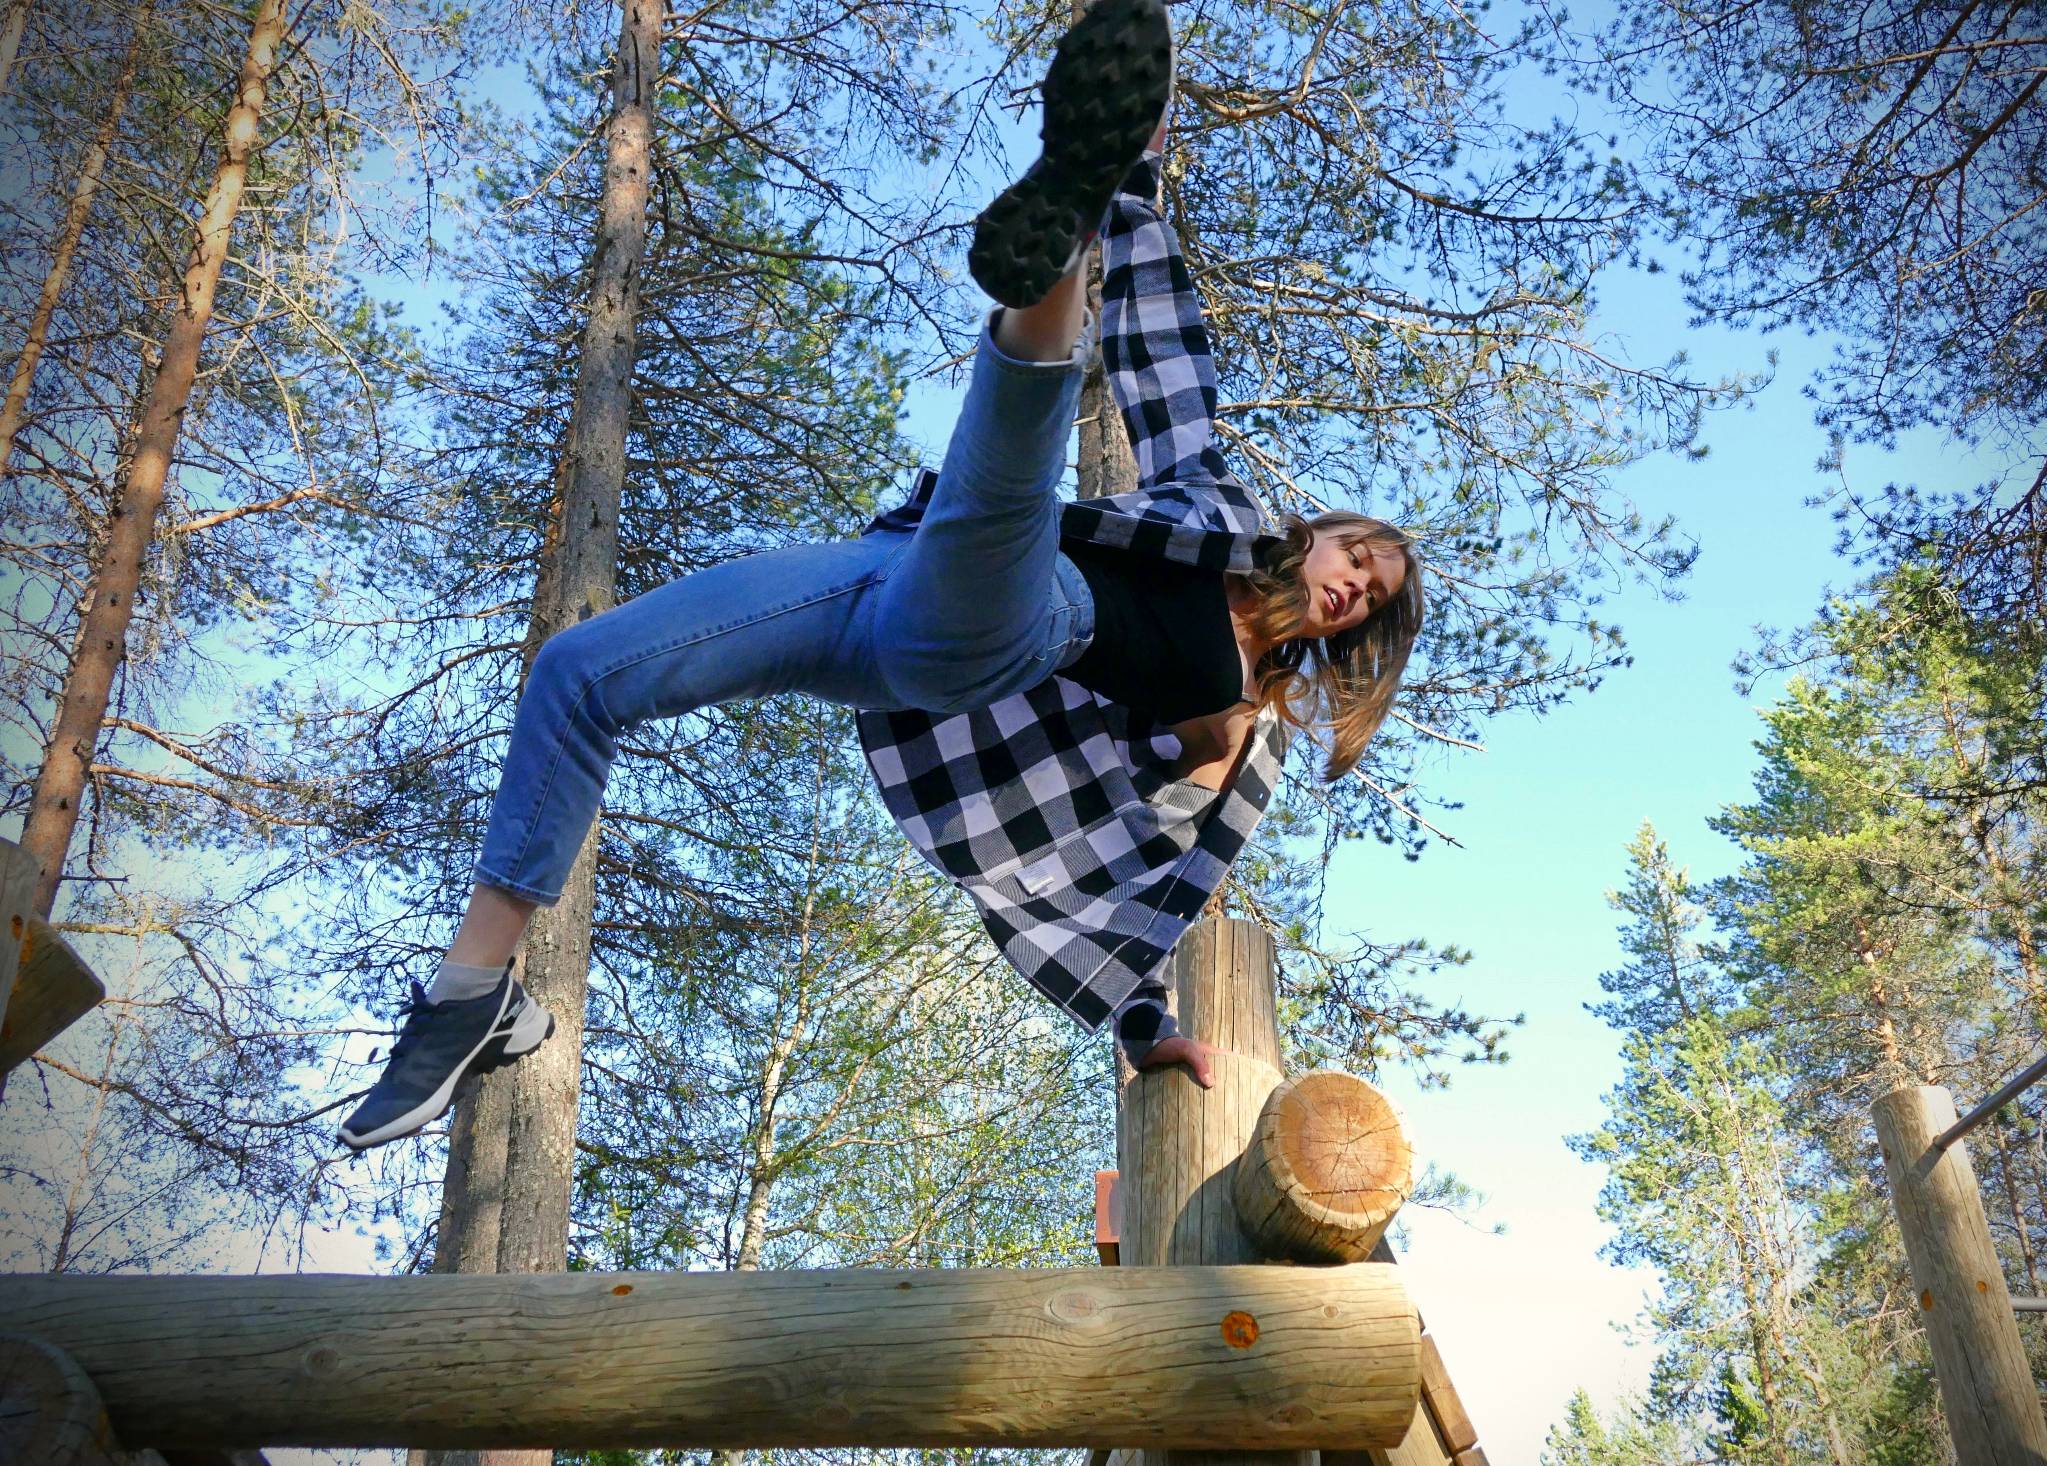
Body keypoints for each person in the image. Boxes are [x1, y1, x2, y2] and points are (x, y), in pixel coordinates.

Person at [338, 0, 1423, 1152]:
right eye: (1358, 553)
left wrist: (1139, 1011)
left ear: (1358, 631)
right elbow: (1166, 362)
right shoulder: (1220, 510)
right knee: (579, 672)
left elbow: (1146, 877)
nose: (1356, 582)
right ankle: (472, 998)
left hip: (1005, 632)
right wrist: (1138, 183)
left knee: (1004, 498)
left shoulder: (1245, 730)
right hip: (874, 589)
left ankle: (1052, 241)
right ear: (1319, 536)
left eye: (1374, 595)